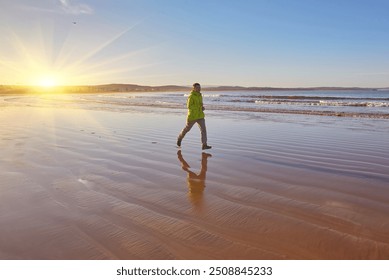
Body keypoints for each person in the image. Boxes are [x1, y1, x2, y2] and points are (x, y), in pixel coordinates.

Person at [177, 83, 212, 150]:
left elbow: (200, 105)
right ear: (194, 88)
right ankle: (180, 138)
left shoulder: (200, 95)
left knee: (203, 130)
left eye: (199, 87)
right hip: (192, 116)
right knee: (187, 129)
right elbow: (189, 106)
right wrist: (199, 107)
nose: (199, 88)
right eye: (197, 87)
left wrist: (202, 108)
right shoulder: (191, 96)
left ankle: (204, 145)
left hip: (200, 116)